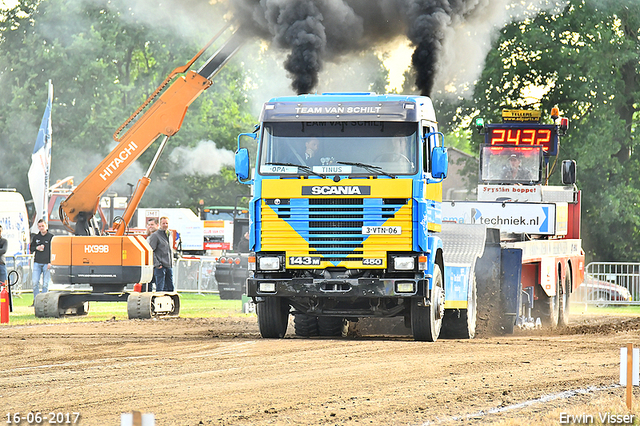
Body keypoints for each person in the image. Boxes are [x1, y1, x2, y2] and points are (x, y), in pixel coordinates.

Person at [147, 216, 174, 292]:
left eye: (166, 223)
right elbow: (151, 251)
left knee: (170, 288)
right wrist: (157, 264)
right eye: (163, 223)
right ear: (160, 224)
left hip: (169, 266)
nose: (165, 225)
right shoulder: (155, 236)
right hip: (160, 267)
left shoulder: (169, 235)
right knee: (160, 288)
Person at [30, 219, 53, 304]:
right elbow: (31, 249)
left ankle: (44, 301)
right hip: (37, 262)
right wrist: (37, 248)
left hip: (47, 263)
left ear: (46, 226)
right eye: (39, 226)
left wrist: (51, 262)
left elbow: (53, 250)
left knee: (45, 284)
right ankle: (36, 301)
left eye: (43, 226)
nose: (41, 228)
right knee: (35, 282)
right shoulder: (36, 237)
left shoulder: (51, 237)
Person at [145, 218, 159, 292]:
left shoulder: (159, 236)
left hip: (157, 265)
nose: (150, 226)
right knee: (148, 284)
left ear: (157, 225)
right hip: (149, 265)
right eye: (149, 225)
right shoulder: (148, 238)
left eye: (152, 225)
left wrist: (157, 264)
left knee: (159, 284)